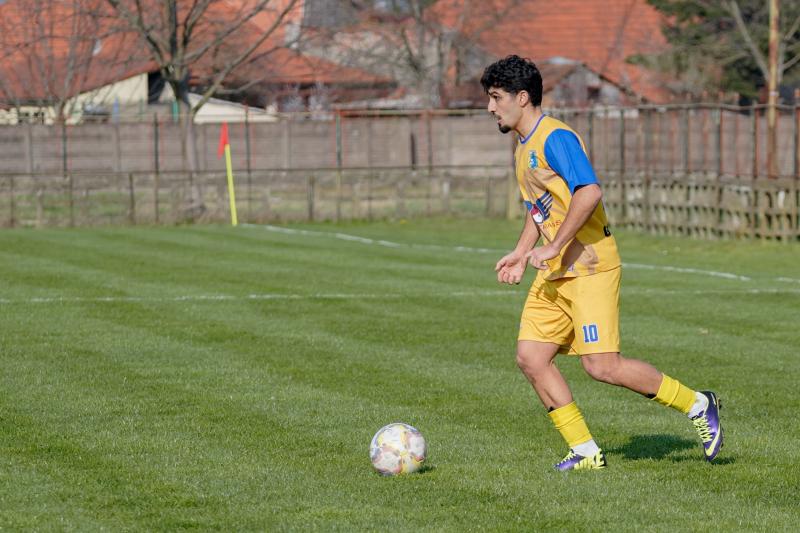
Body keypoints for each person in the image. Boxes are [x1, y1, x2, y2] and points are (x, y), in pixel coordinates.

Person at [481, 55, 723, 471]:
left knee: (602, 366)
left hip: (590, 267)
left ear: (522, 98)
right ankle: (585, 451)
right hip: (558, 270)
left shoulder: (555, 138)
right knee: (531, 358)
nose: (490, 107)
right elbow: (540, 209)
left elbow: (589, 192)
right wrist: (522, 252)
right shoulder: (523, 146)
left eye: (496, 97)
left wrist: (554, 246)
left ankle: (698, 404)